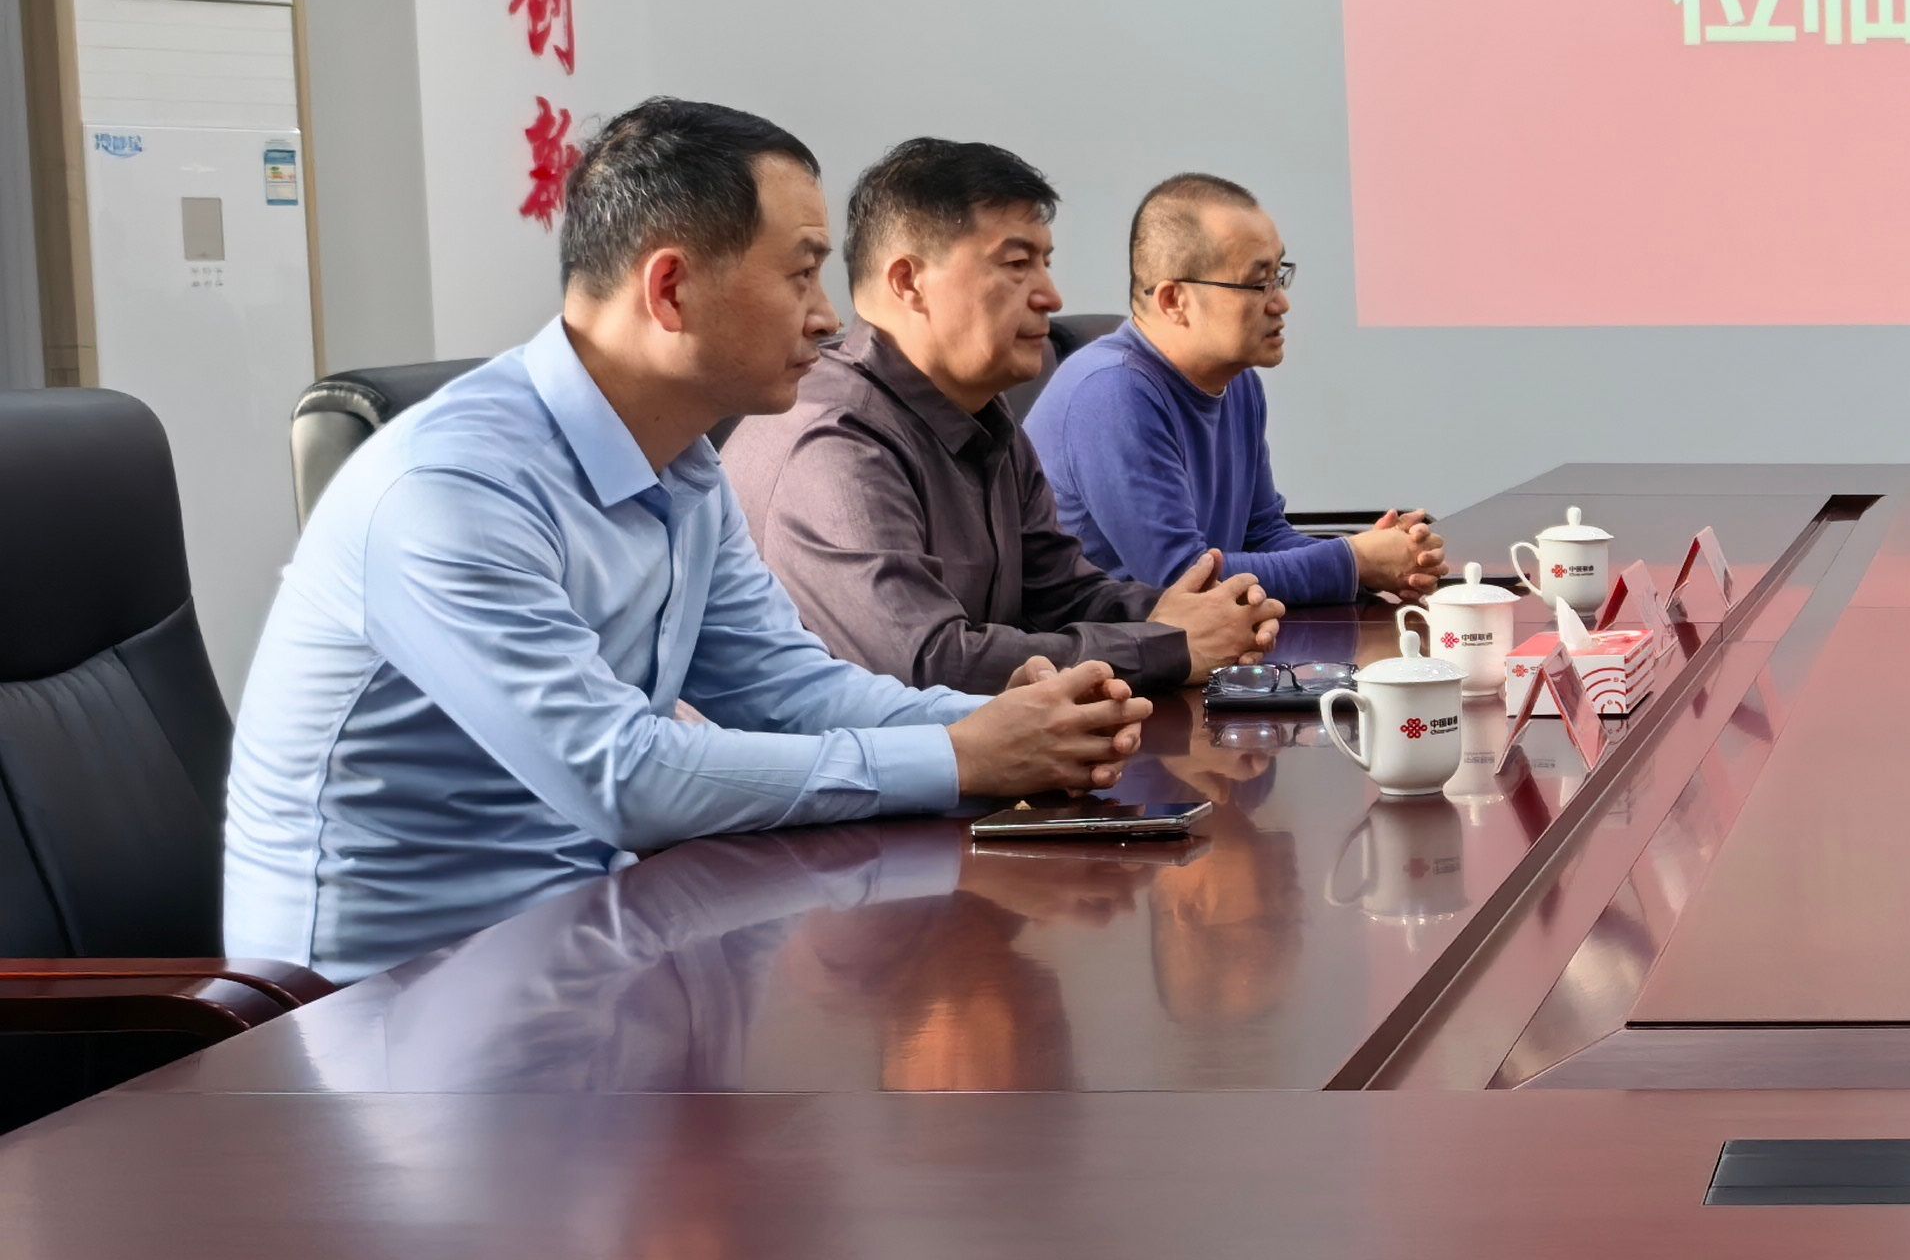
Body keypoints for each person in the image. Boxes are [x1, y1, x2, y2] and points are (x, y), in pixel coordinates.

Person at [221, 98, 1147, 982]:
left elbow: (787, 690)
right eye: (800, 274)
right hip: (395, 1003)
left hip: (596, 936)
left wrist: (1008, 724)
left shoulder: (683, 468)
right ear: (670, 289)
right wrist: (960, 756)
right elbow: (620, 775)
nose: (828, 317)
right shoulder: (448, 489)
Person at [725, 137, 1285, 694]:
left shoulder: (987, 417)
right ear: (908, 282)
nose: (1052, 297)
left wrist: (1186, 613)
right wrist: (1167, 644)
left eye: (1046, 263)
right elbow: (928, 663)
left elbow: (1059, 594)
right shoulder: (838, 438)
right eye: (1017, 264)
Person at [1026, 172, 1442, 608]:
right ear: (1174, 301)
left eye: (1279, 275)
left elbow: (1262, 534)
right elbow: (1182, 580)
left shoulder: (1240, 383)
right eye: (1258, 283)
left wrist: (1376, 558)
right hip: (1107, 645)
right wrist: (1353, 561)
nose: (1280, 302)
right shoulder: (1112, 393)